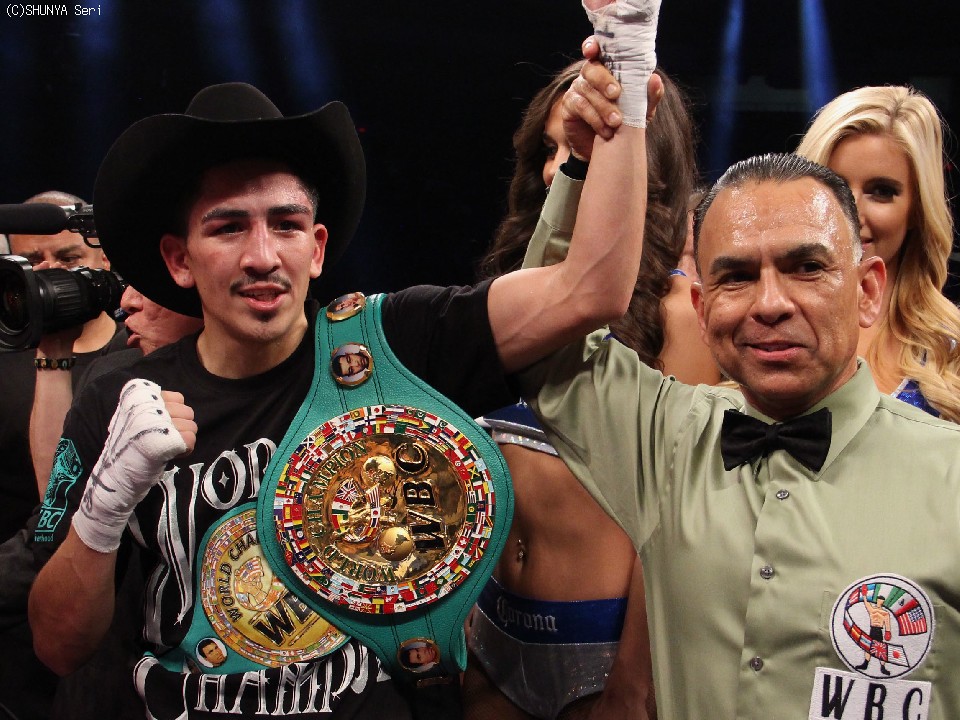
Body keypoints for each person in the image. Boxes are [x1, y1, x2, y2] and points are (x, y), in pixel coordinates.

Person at [27, 3, 661, 716]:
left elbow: (590, 290)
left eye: (286, 224)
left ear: (318, 247)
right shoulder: (119, 399)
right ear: (179, 259)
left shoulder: (395, 342)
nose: (262, 256)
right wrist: (105, 505)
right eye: (228, 228)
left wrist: (628, 64)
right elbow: (58, 645)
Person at [518, 148, 960, 718]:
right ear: (702, 311)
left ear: (868, 291)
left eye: (806, 267)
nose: (770, 304)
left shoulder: (951, 475)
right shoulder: (668, 439)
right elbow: (546, 340)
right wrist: (586, 161)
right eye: (737, 277)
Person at [466, 60, 716, 720]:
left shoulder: (678, 316)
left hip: (598, 651)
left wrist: (635, 679)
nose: (558, 169)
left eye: (582, 149)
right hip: (491, 633)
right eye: (550, 150)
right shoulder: (510, 293)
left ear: (643, 164)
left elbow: (680, 522)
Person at [0, 284, 201, 720]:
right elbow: (54, 515)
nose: (128, 302)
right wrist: (53, 356)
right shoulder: (115, 378)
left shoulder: (319, 380)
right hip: (113, 678)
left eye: (151, 286)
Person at [795, 85, 960, 421]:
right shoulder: (750, 324)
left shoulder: (951, 348)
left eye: (881, 191)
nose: (851, 212)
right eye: (832, 186)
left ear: (916, 210)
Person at [0, 190, 127, 542]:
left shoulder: (139, 351)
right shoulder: (4, 360)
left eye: (68, 259)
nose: (50, 273)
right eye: (32, 261)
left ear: (104, 259)